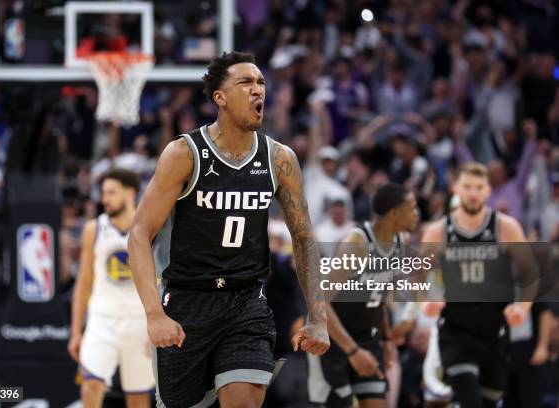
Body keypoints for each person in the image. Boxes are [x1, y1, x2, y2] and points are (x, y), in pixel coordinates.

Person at [127, 51, 330, 408]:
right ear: (219, 97)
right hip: (187, 301)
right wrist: (154, 314)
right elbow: (140, 234)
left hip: (246, 300)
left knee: (244, 400)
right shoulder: (184, 155)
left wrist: (318, 316)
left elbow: (304, 238)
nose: (258, 91)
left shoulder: (280, 159)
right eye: (246, 82)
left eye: (261, 83)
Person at [421, 162, 537, 408]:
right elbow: (417, 275)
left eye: (479, 187)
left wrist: (523, 308)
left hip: (495, 329)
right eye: (467, 186)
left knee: (489, 401)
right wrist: (425, 299)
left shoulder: (505, 227)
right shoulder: (439, 231)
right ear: (456, 188)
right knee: (469, 400)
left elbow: (530, 272)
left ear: (488, 191)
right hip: (456, 329)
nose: (473, 193)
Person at [309, 183, 419, 408]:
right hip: (331, 339)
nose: (417, 213)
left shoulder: (402, 242)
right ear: (395, 214)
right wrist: (352, 351)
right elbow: (319, 301)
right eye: (413, 207)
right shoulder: (357, 244)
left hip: (366, 338)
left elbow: (379, 297)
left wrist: (387, 339)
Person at [67, 168, 153, 408]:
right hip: (101, 321)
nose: (104, 199)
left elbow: (162, 281)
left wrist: (156, 323)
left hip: (139, 323)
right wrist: (76, 331)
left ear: (130, 193)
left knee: (137, 397)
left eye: (111, 193)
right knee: (90, 386)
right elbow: (83, 282)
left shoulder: (149, 227)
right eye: (103, 193)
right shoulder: (93, 229)